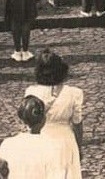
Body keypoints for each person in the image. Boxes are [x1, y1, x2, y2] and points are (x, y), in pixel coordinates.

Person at [25, 51, 83, 179]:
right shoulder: (74, 93)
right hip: (65, 140)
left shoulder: (31, 92)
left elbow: (28, 120)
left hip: (39, 138)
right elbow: (77, 123)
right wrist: (79, 147)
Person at [0, 96, 63, 179]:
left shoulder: (6, 144)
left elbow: (0, 174)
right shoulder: (53, 146)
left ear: (21, 119)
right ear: (43, 119)